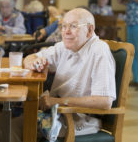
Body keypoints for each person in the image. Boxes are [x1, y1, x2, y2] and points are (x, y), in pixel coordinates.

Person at [8, 8, 116, 142]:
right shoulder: (64, 46)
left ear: (89, 30)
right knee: (2, 122)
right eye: (63, 26)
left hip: (77, 120)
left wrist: (57, 102)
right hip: (55, 115)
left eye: (73, 26)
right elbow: (30, 57)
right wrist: (34, 62)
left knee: (7, 128)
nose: (66, 31)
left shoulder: (99, 51)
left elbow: (105, 101)